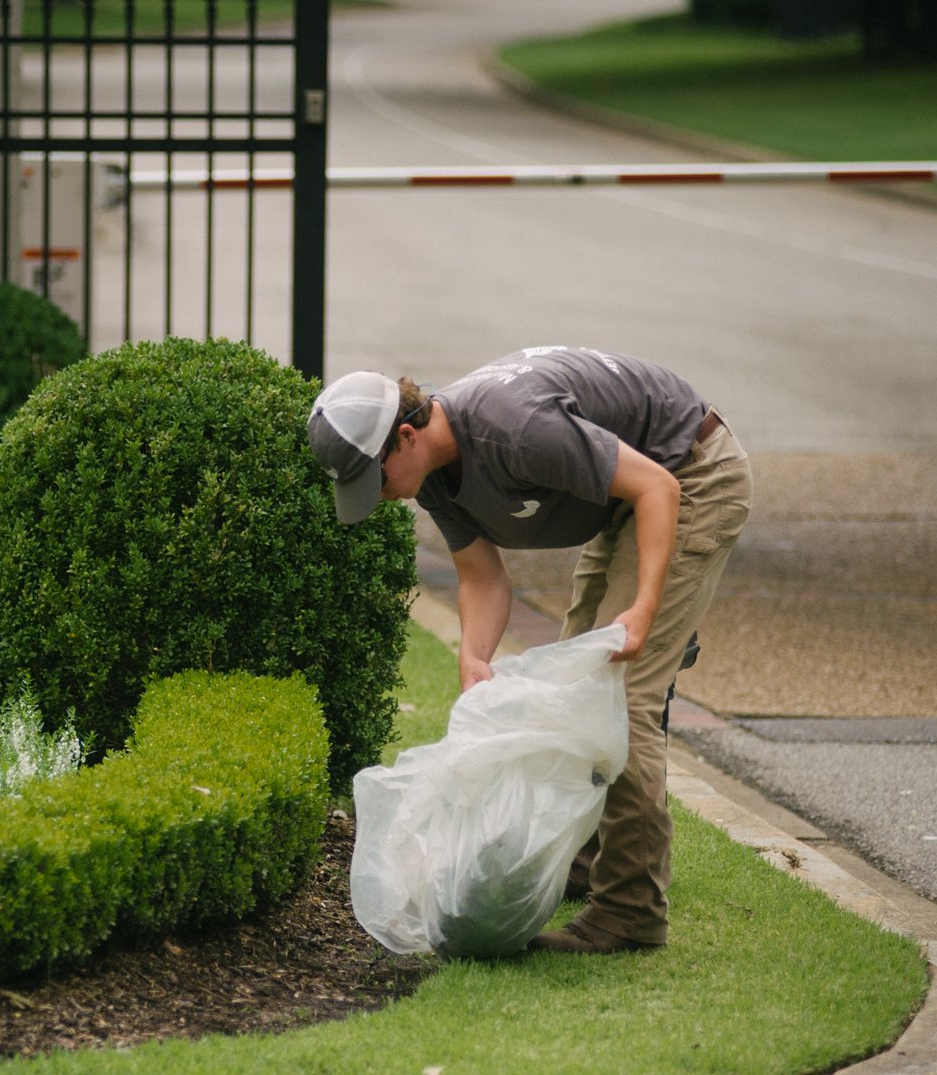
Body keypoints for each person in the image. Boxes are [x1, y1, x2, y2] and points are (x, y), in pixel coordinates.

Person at [307, 346, 751, 954]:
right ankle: (587, 862)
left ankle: (630, 913)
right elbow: (482, 577)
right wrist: (473, 655)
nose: (379, 496)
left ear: (405, 437)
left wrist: (645, 607)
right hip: (629, 497)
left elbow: (658, 487)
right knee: (575, 695)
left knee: (623, 697)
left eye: (374, 479)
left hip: (690, 474)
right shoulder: (435, 471)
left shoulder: (512, 428)